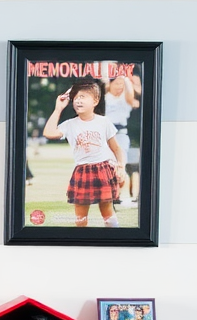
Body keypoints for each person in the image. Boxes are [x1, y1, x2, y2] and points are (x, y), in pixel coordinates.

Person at [43, 78, 126, 228]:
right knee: (80, 217)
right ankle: (81, 242)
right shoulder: (70, 124)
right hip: (82, 171)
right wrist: (58, 109)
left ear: (95, 100)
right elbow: (49, 132)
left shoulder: (104, 122)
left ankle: (114, 240)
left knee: (107, 211)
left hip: (103, 169)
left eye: (83, 97)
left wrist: (121, 167)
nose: (78, 101)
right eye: (75, 98)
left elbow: (117, 149)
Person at [104, 73, 139, 207]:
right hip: (107, 135)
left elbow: (130, 95)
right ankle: (109, 195)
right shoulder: (105, 98)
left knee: (120, 165)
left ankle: (115, 195)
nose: (119, 87)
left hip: (121, 134)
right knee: (107, 166)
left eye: (122, 85)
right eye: (117, 83)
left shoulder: (125, 100)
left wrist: (125, 79)